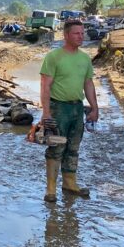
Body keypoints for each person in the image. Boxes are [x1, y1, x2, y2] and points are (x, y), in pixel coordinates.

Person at [40, 20, 99, 202]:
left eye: (82, 33)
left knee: (73, 147)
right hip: (59, 109)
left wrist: (94, 108)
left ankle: (69, 183)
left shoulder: (84, 58)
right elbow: (45, 86)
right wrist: (46, 113)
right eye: (76, 34)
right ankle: (51, 189)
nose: (81, 36)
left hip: (77, 108)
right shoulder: (53, 57)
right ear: (66, 35)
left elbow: (88, 84)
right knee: (56, 146)